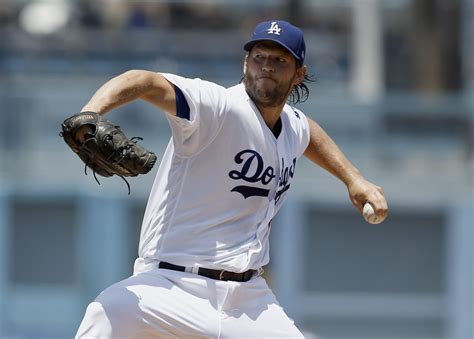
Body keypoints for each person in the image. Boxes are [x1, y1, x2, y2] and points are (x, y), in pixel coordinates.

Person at [75, 20, 388, 338]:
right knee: (106, 311)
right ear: (246, 62)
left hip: (248, 301)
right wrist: (89, 114)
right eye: (259, 56)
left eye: (279, 60)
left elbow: (309, 133)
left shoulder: (292, 125)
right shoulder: (218, 107)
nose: (266, 66)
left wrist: (354, 179)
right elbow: (141, 81)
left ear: (299, 74)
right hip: (171, 286)